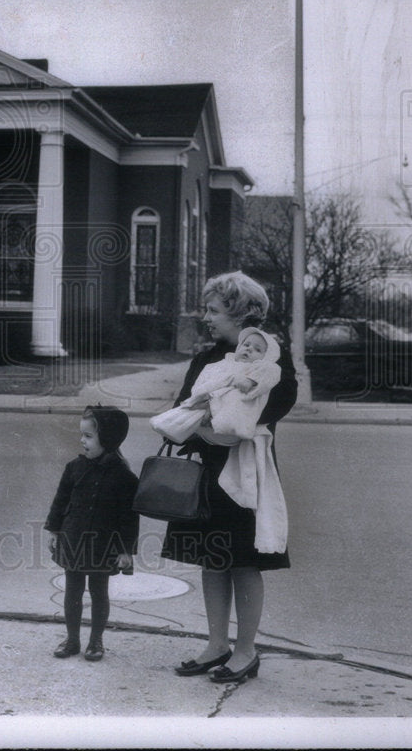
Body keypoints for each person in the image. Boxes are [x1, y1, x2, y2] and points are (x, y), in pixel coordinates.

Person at [159, 272, 297, 684]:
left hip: (244, 474)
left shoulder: (271, 360)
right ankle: (216, 644)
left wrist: (211, 425)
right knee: (212, 558)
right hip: (206, 468)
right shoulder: (206, 358)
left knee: (243, 562)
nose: (206, 317)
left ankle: (245, 651)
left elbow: (265, 411)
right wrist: (199, 425)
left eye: (213, 310)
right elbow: (184, 404)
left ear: (242, 314)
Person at [44, 405, 139, 662]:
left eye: (88, 436)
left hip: (103, 545)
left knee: (99, 591)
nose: (82, 441)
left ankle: (96, 641)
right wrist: (53, 530)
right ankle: (72, 639)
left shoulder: (124, 477)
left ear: (107, 439)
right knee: (72, 590)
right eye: (82, 435)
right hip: (73, 539)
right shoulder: (74, 467)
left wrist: (126, 550)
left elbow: (129, 518)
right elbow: (60, 501)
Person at [150, 327, 282, 445]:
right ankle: (169, 425)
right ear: (238, 347)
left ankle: (173, 426)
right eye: (246, 344)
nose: (249, 349)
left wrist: (250, 380)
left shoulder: (262, 368)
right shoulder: (223, 364)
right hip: (211, 407)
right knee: (187, 413)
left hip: (233, 419)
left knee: (215, 414)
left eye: (257, 350)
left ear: (266, 357)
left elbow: (267, 375)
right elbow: (208, 383)